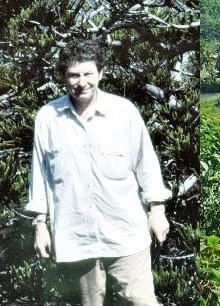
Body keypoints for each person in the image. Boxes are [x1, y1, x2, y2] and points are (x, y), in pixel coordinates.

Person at [25, 39, 172, 305]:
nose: (81, 82)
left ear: (100, 74)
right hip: (75, 237)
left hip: (126, 233)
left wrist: (157, 212)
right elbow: (40, 177)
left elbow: (146, 164)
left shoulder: (123, 112)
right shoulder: (47, 118)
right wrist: (40, 226)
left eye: (88, 73)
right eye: (73, 75)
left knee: (140, 301)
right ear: (63, 77)